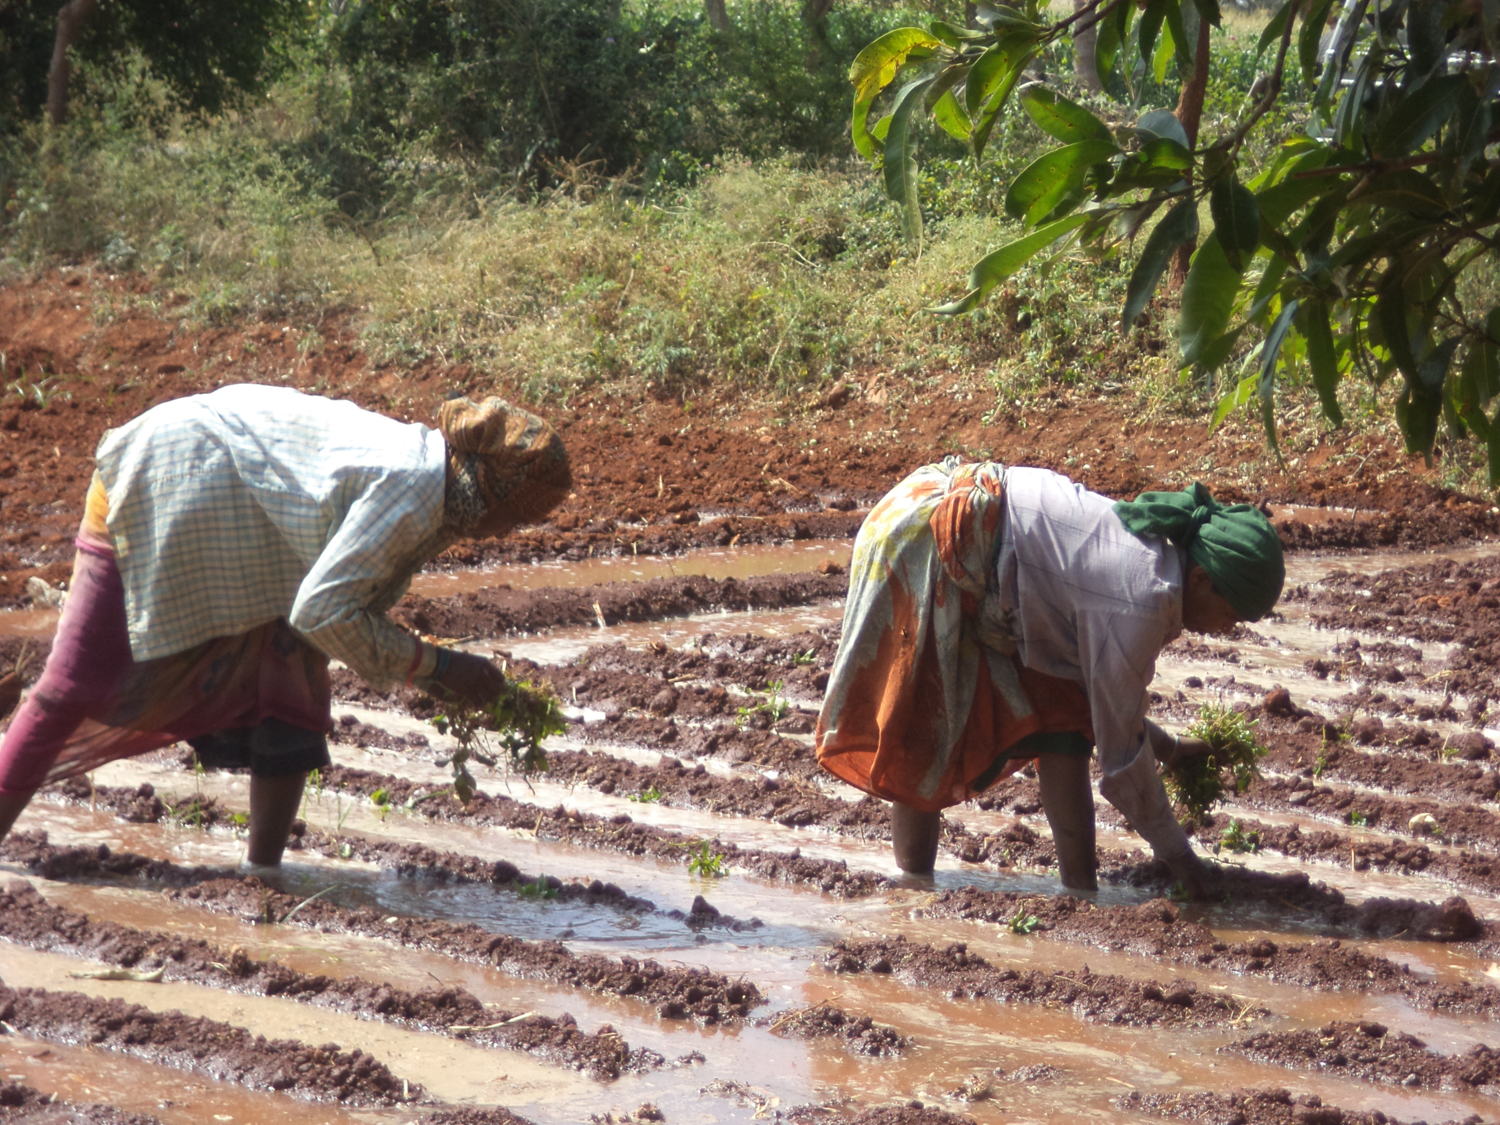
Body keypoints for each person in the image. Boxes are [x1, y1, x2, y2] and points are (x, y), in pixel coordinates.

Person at [0, 384, 570, 867]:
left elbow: (326, 606)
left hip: (237, 519)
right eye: (516, 514)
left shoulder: (437, 484)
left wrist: (424, 665)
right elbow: (324, 610)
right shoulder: (412, 487)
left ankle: (263, 875)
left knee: (287, 675)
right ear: (493, 489)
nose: (506, 530)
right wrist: (437, 666)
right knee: (71, 686)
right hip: (162, 481)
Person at [815, 458, 1283, 894]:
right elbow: (1122, 760)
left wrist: (1173, 752)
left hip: (985, 551)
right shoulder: (1141, 601)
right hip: (925, 537)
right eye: (1232, 615)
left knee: (1064, 713)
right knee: (925, 728)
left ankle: (1079, 892)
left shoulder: (1159, 564)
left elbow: (1103, 706)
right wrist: (1187, 867)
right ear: (1200, 579)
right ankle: (913, 889)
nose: (1229, 629)